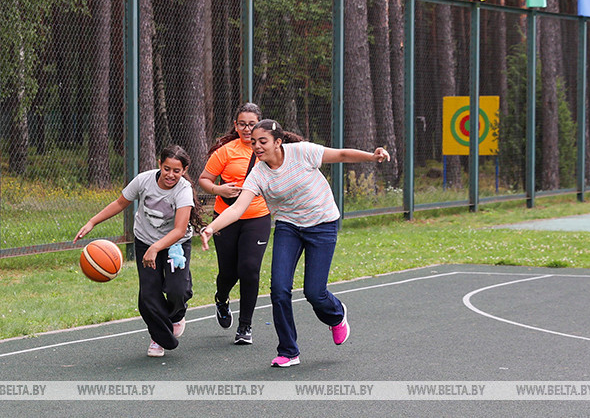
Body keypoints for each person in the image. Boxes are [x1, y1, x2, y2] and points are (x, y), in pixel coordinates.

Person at [199, 120, 390, 368]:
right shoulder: (258, 173)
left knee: (314, 292)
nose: (256, 146)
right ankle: (288, 351)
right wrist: (211, 227)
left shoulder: (302, 152)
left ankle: (336, 315)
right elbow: (236, 209)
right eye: (254, 142)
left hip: (322, 223)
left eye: (263, 141)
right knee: (279, 289)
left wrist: (372, 157)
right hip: (289, 226)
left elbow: (341, 154)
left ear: (278, 142)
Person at [75, 145, 204, 358]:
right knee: (148, 296)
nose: (171, 175)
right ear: (159, 165)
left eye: (177, 171)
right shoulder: (143, 181)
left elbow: (180, 229)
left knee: (177, 290)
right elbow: (120, 203)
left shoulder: (183, 190)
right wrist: (92, 222)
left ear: (184, 170)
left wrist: (156, 248)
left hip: (175, 245)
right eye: (166, 168)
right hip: (145, 240)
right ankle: (160, 337)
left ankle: (177, 315)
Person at [198, 103, 272, 345]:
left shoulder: (268, 150)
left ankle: (245, 326)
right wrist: (219, 188)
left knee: (249, 269)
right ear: (235, 125)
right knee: (229, 272)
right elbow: (204, 179)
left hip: (257, 217)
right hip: (226, 217)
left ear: (260, 125)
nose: (247, 129)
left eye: (252, 124)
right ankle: (221, 298)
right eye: (242, 124)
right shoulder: (226, 151)